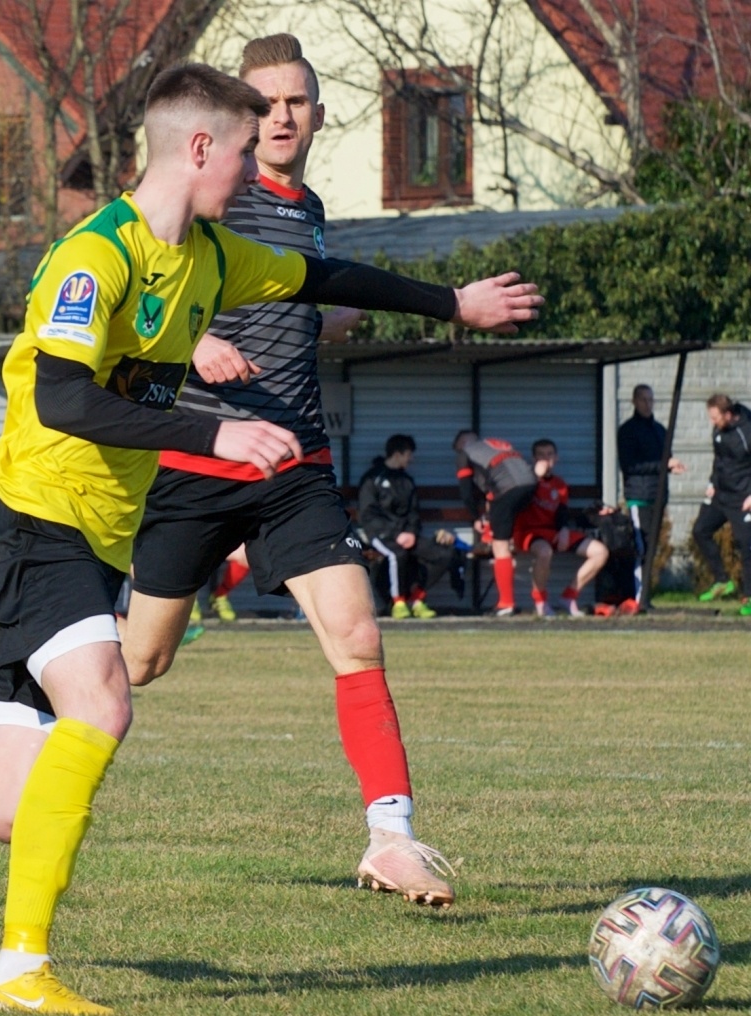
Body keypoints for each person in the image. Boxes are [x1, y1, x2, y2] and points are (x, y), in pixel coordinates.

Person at [0, 62, 538, 1015]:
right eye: (238, 149)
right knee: (105, 702)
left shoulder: (215, 257)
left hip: (96, 537)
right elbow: (64, 396)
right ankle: (18, 970)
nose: (248, 169)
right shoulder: (91, 257)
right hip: (33, 521)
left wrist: (451, 304)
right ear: (199, 149)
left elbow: (324, 274)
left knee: (5, 811)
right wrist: (212, 431)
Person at [115, 36, 542, 908]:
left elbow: (303, 302)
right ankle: (14, 653)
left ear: (317, 112)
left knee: (357, 635)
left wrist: (355, 318)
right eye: (265, 103)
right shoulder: (206, 193)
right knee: (142, 662)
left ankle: (392, 839)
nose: (281, 116)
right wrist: (195, 340)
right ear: (235, 117)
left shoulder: (306, 207)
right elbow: (135, 285)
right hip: (200, 456)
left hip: (296, 461)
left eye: (298, 102)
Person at [512, 439, 610, 617]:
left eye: (549, 455)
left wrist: (564, 529)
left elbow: (561, 512)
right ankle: (541, 602)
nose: (545, 459)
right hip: (527, 532)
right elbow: (517, 502)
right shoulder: (525, 478)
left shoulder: (559, 484)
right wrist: (535, 478)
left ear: (556, 458)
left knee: (600, 552)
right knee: (544, 552)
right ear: (534, 458)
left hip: (552, 532)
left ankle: (569, 596)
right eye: (541, 455)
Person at [454, 430, 539, 616]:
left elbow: (466, 491)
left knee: (500, 545)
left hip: (508, 489)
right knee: (504, 527)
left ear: (463, 443)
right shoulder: (498, 444)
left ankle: (506, 603)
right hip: (531, 485)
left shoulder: (465, 453)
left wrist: (476, 516)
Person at [617, 384, 685, 597]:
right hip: (639, 496)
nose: (647, 404)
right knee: (641, 547)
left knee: (652, 547)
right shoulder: (627, 431)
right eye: (643, 400)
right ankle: (638, 597)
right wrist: (663, 464)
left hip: (658, 496)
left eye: (650, 399)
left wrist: (672, 466)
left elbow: (664, 461)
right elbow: (630, 465)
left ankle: (645, 594)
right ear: (635, 402)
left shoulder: (659, 430)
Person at [358, 434, 436, 619]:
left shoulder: (406, 480)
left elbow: (413, 512)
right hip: (381, 535)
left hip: (406, 535)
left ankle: (417, 599)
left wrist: (411, 532)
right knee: (397, 554)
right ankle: (398, 602)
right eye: (409, 454)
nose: (411, 459)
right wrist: (394, 533)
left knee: (443, 553)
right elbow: (368, 514)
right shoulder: (372, 478)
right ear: (398, 454)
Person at [692, 393, 751, 614]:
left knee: (747, 545)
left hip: (743, 498)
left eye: (715, 417)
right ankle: (722, 580)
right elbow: (719, 460)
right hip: (720, 495)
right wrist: (712, 482)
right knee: (700, 531)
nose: (712, 422)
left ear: (728, 414)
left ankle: (749, 598)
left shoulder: (747, 431)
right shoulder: (718, 429)